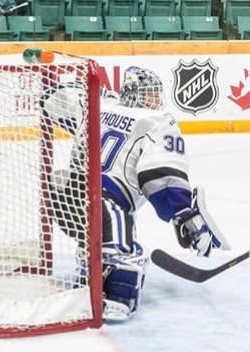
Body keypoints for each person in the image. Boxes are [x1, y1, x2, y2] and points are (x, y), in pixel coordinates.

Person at [45, 66, 229, 321]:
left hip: (64, 196)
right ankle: (115, 297)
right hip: (103, 205)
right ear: (136, 93)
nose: (156, 100)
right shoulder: (157, 122)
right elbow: (161, 174)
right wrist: (185, 216)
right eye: (151, 94)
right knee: (125, 255)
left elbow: (52, 98)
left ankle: (90, 265)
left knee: (96, 233)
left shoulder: (96, 104)